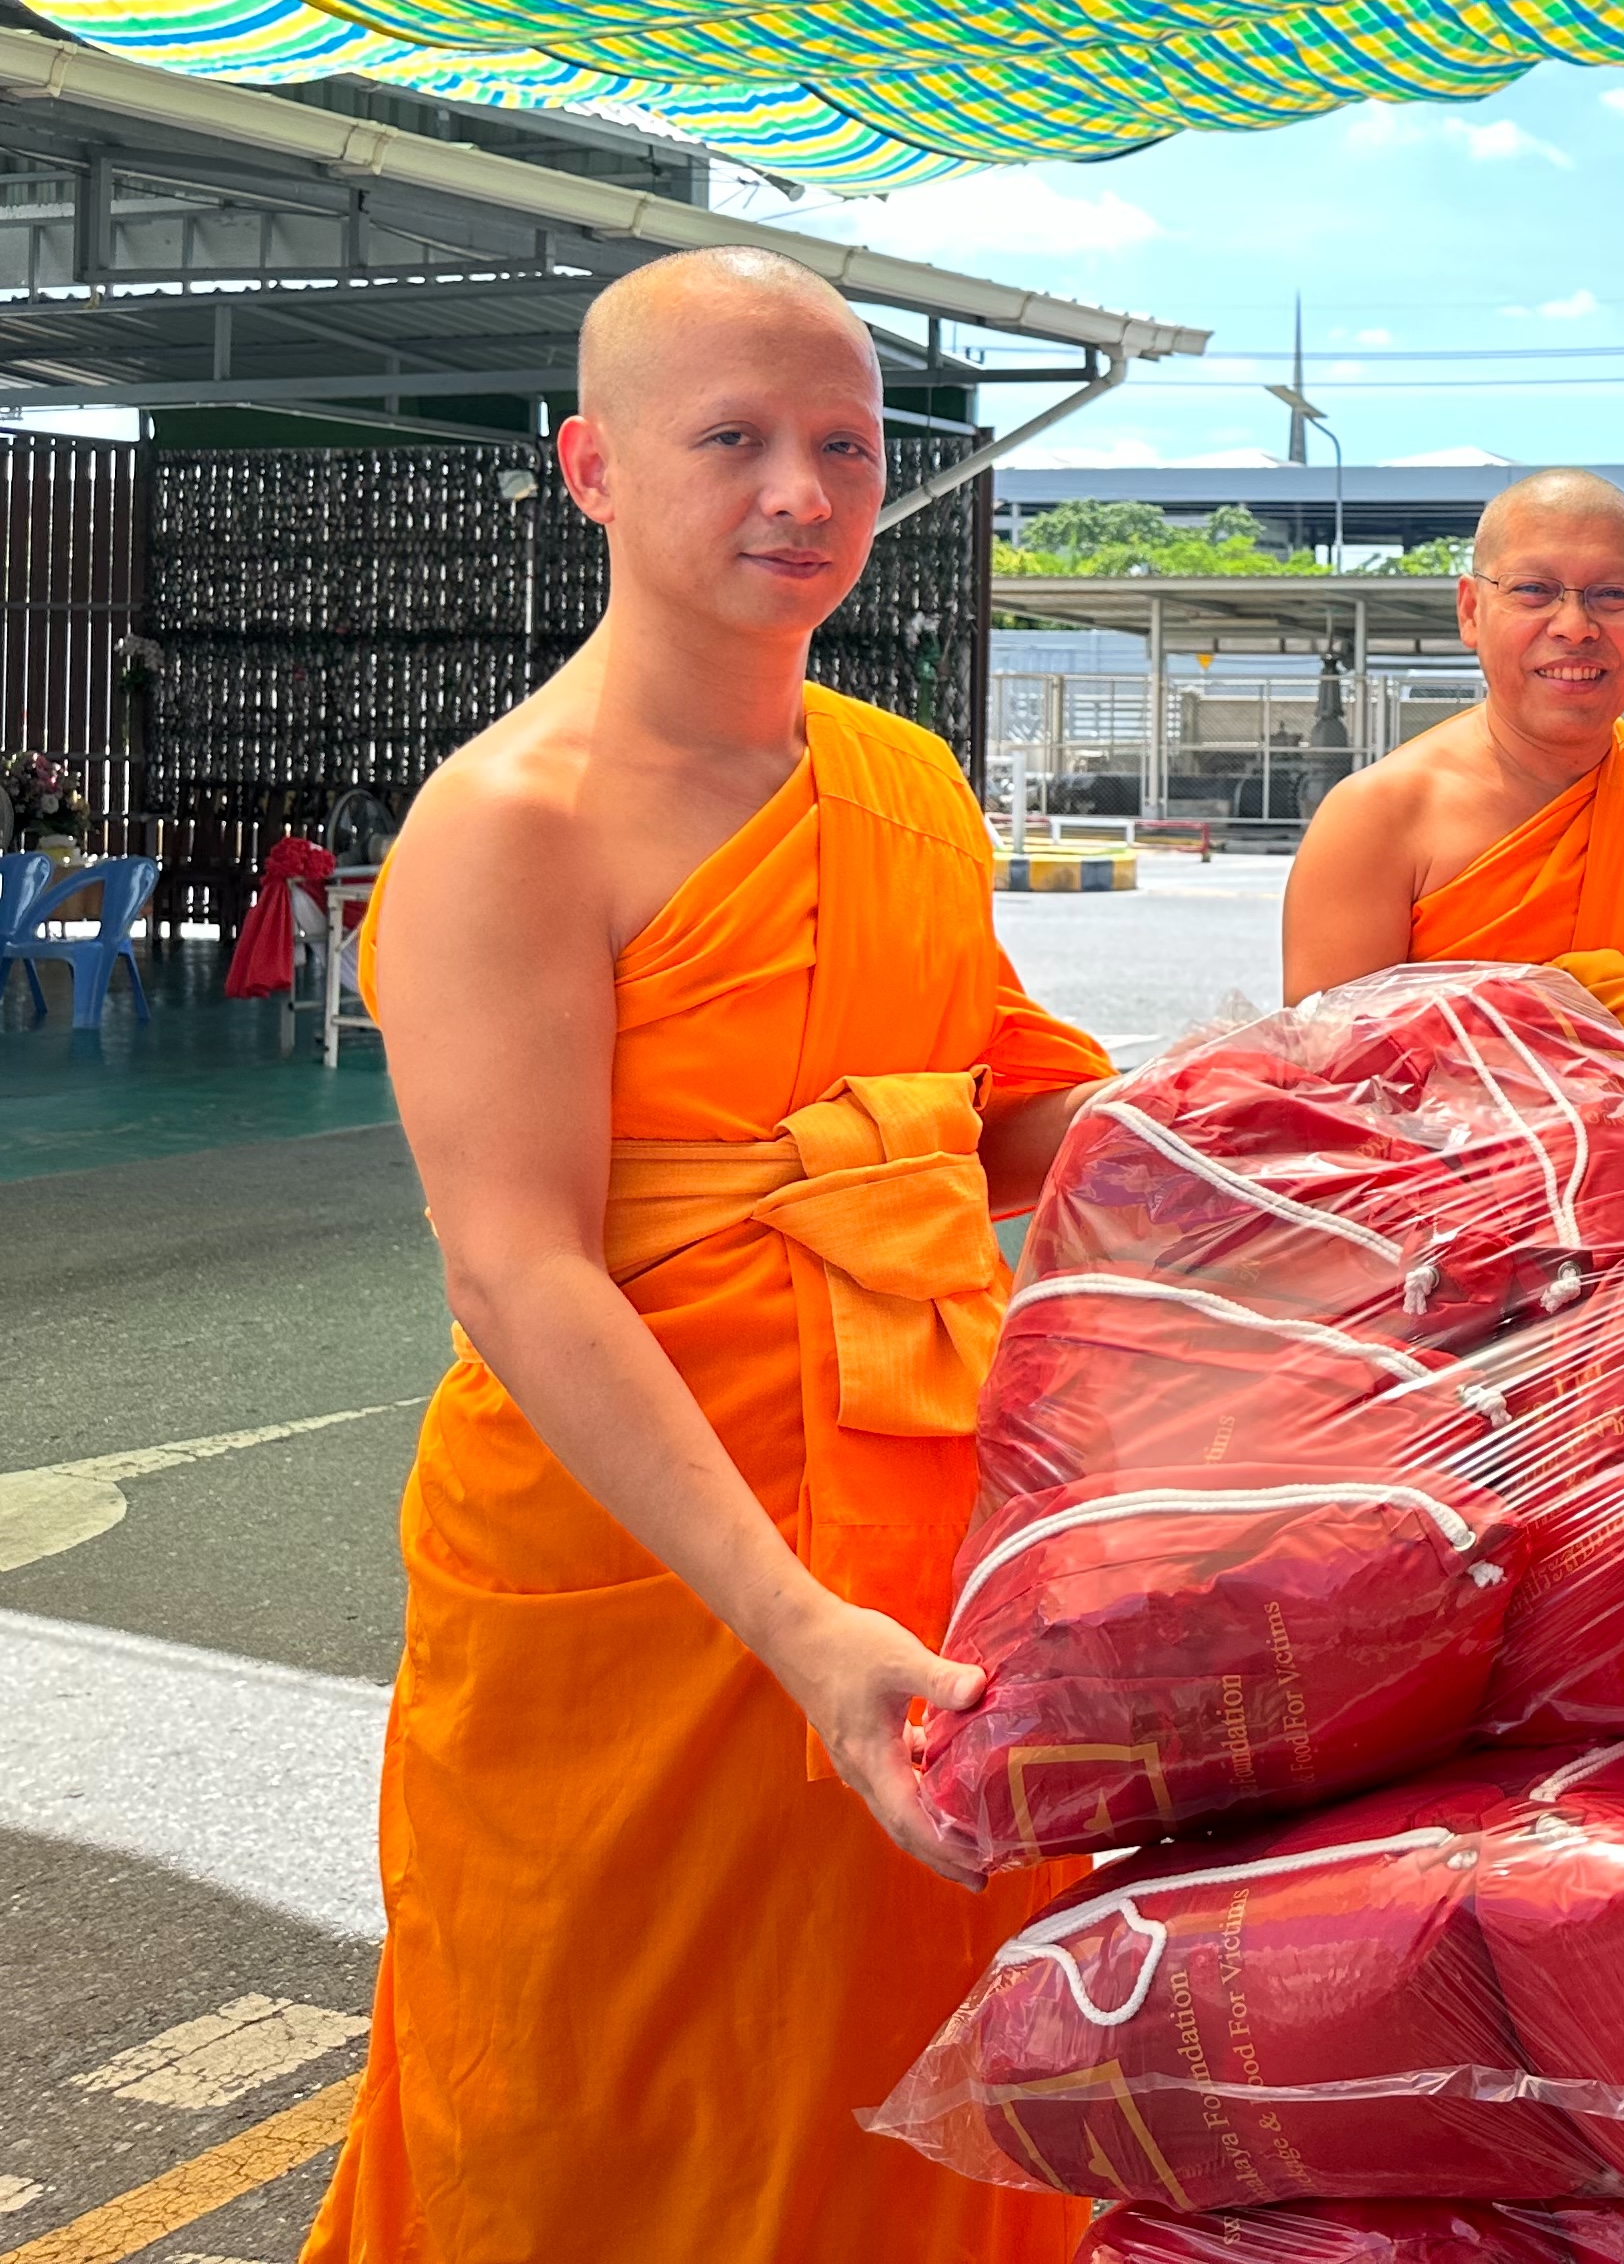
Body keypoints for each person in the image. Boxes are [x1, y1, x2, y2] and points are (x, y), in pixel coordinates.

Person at [308, 250, 1110, 2264]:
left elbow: (995, 1109)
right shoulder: (513, 820)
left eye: (844, 448)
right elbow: (519, 1270)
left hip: (927, 1525)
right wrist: (793, 1625)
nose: (801, 495)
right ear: (588, 466)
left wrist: (1328, 1112)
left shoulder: (903, 781)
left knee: (919, 2078)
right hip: (646, 1567)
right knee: (595, 2091)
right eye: (731, 441)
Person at [1282, 468, 1624, 1240]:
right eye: (1534, 590)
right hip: (1461, 1267)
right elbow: (1337, 1099)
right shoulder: (1379, 820)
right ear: (1471, 610)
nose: (1575, 625)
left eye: (1611, 596)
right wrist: (1608, 1135)